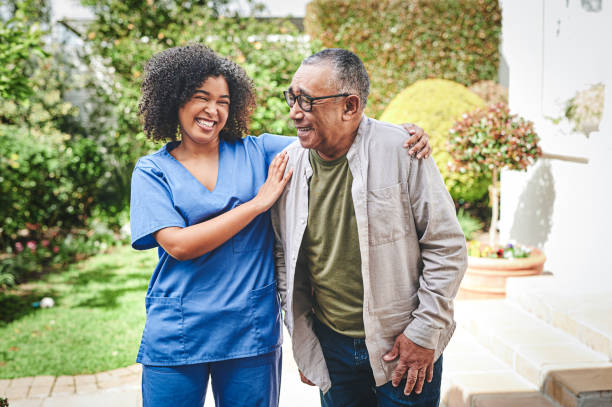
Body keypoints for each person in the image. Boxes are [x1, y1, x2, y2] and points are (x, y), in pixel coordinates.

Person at [129, 44, 432, 407]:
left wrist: (400, 134)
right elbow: (178, 245)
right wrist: (257, 204)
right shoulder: (152, 171)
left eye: (224, 101)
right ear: (174, 100)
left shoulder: (261, 152)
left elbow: (337, 131)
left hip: (249, 334)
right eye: (201, 97)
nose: (213, 110)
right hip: (178, 334)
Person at [271, 48, 467, 407]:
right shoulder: (288, 165)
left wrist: (424, 332)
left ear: (350, 106)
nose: (294, 112)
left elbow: (446, 247)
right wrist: (305, 343)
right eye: (292, 97)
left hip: (404, 345)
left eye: (307, 101)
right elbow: (286, 256)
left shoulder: (402, 149)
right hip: (331, 348)